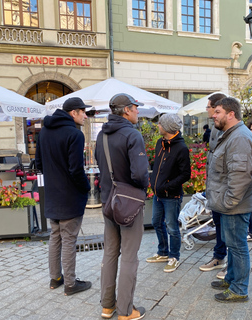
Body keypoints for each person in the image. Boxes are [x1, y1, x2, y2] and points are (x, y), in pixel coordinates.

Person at [95, 93, 149, 320]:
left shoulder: (101, 135)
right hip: (128, 203)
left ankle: (107, 306)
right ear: (126, 110)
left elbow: (100, 165)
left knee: (110, 253)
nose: (138, 111)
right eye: (136, 108)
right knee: (129, 256)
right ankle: (126, 311)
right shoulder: (132, 135)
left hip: (108, 199)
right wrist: (144, 187)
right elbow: (139, 174)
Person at [35, 97, 92, 296]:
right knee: (68, 239)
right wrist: (86, 187)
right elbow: (76, 169)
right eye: (83, 112)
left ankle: (55, 278)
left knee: (55, 237)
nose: (85, 116)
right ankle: (70, 283)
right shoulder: (74, 134)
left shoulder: (44, 132)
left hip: (52, 194)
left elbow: (39, 164)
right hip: (69, 196)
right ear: (73, 112)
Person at [207, 97, 252, 303]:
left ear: (231, 114)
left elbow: (240, 175)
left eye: (217, 111)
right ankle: (231, 278)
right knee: (232, 245)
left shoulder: (239, 138)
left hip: (235, 205)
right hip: (228, 203)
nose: (213, 115)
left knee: (237, 247)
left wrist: (228, 202)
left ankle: (239, 289)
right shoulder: (230, 135)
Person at [146, 114, 191, 273]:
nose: (158, 126)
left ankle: (174, 257)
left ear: (168, 127)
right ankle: (163, 252)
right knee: (156, 222)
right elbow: (157, 166)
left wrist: (166, 186)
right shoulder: (160, 143)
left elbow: (186, 174)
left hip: (172, 196)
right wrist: (153, 183)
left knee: (172, 227)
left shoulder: (181, 148)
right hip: (158, 194)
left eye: (160, 124)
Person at [198, 93, 228, 278]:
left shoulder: (229, 130)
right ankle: (219, 257)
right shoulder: (216, 128)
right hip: (215, 187)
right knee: (219, 225)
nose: (207, 110)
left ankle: (229, 264)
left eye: (209, 107)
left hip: (225, 190)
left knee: (228, 230)